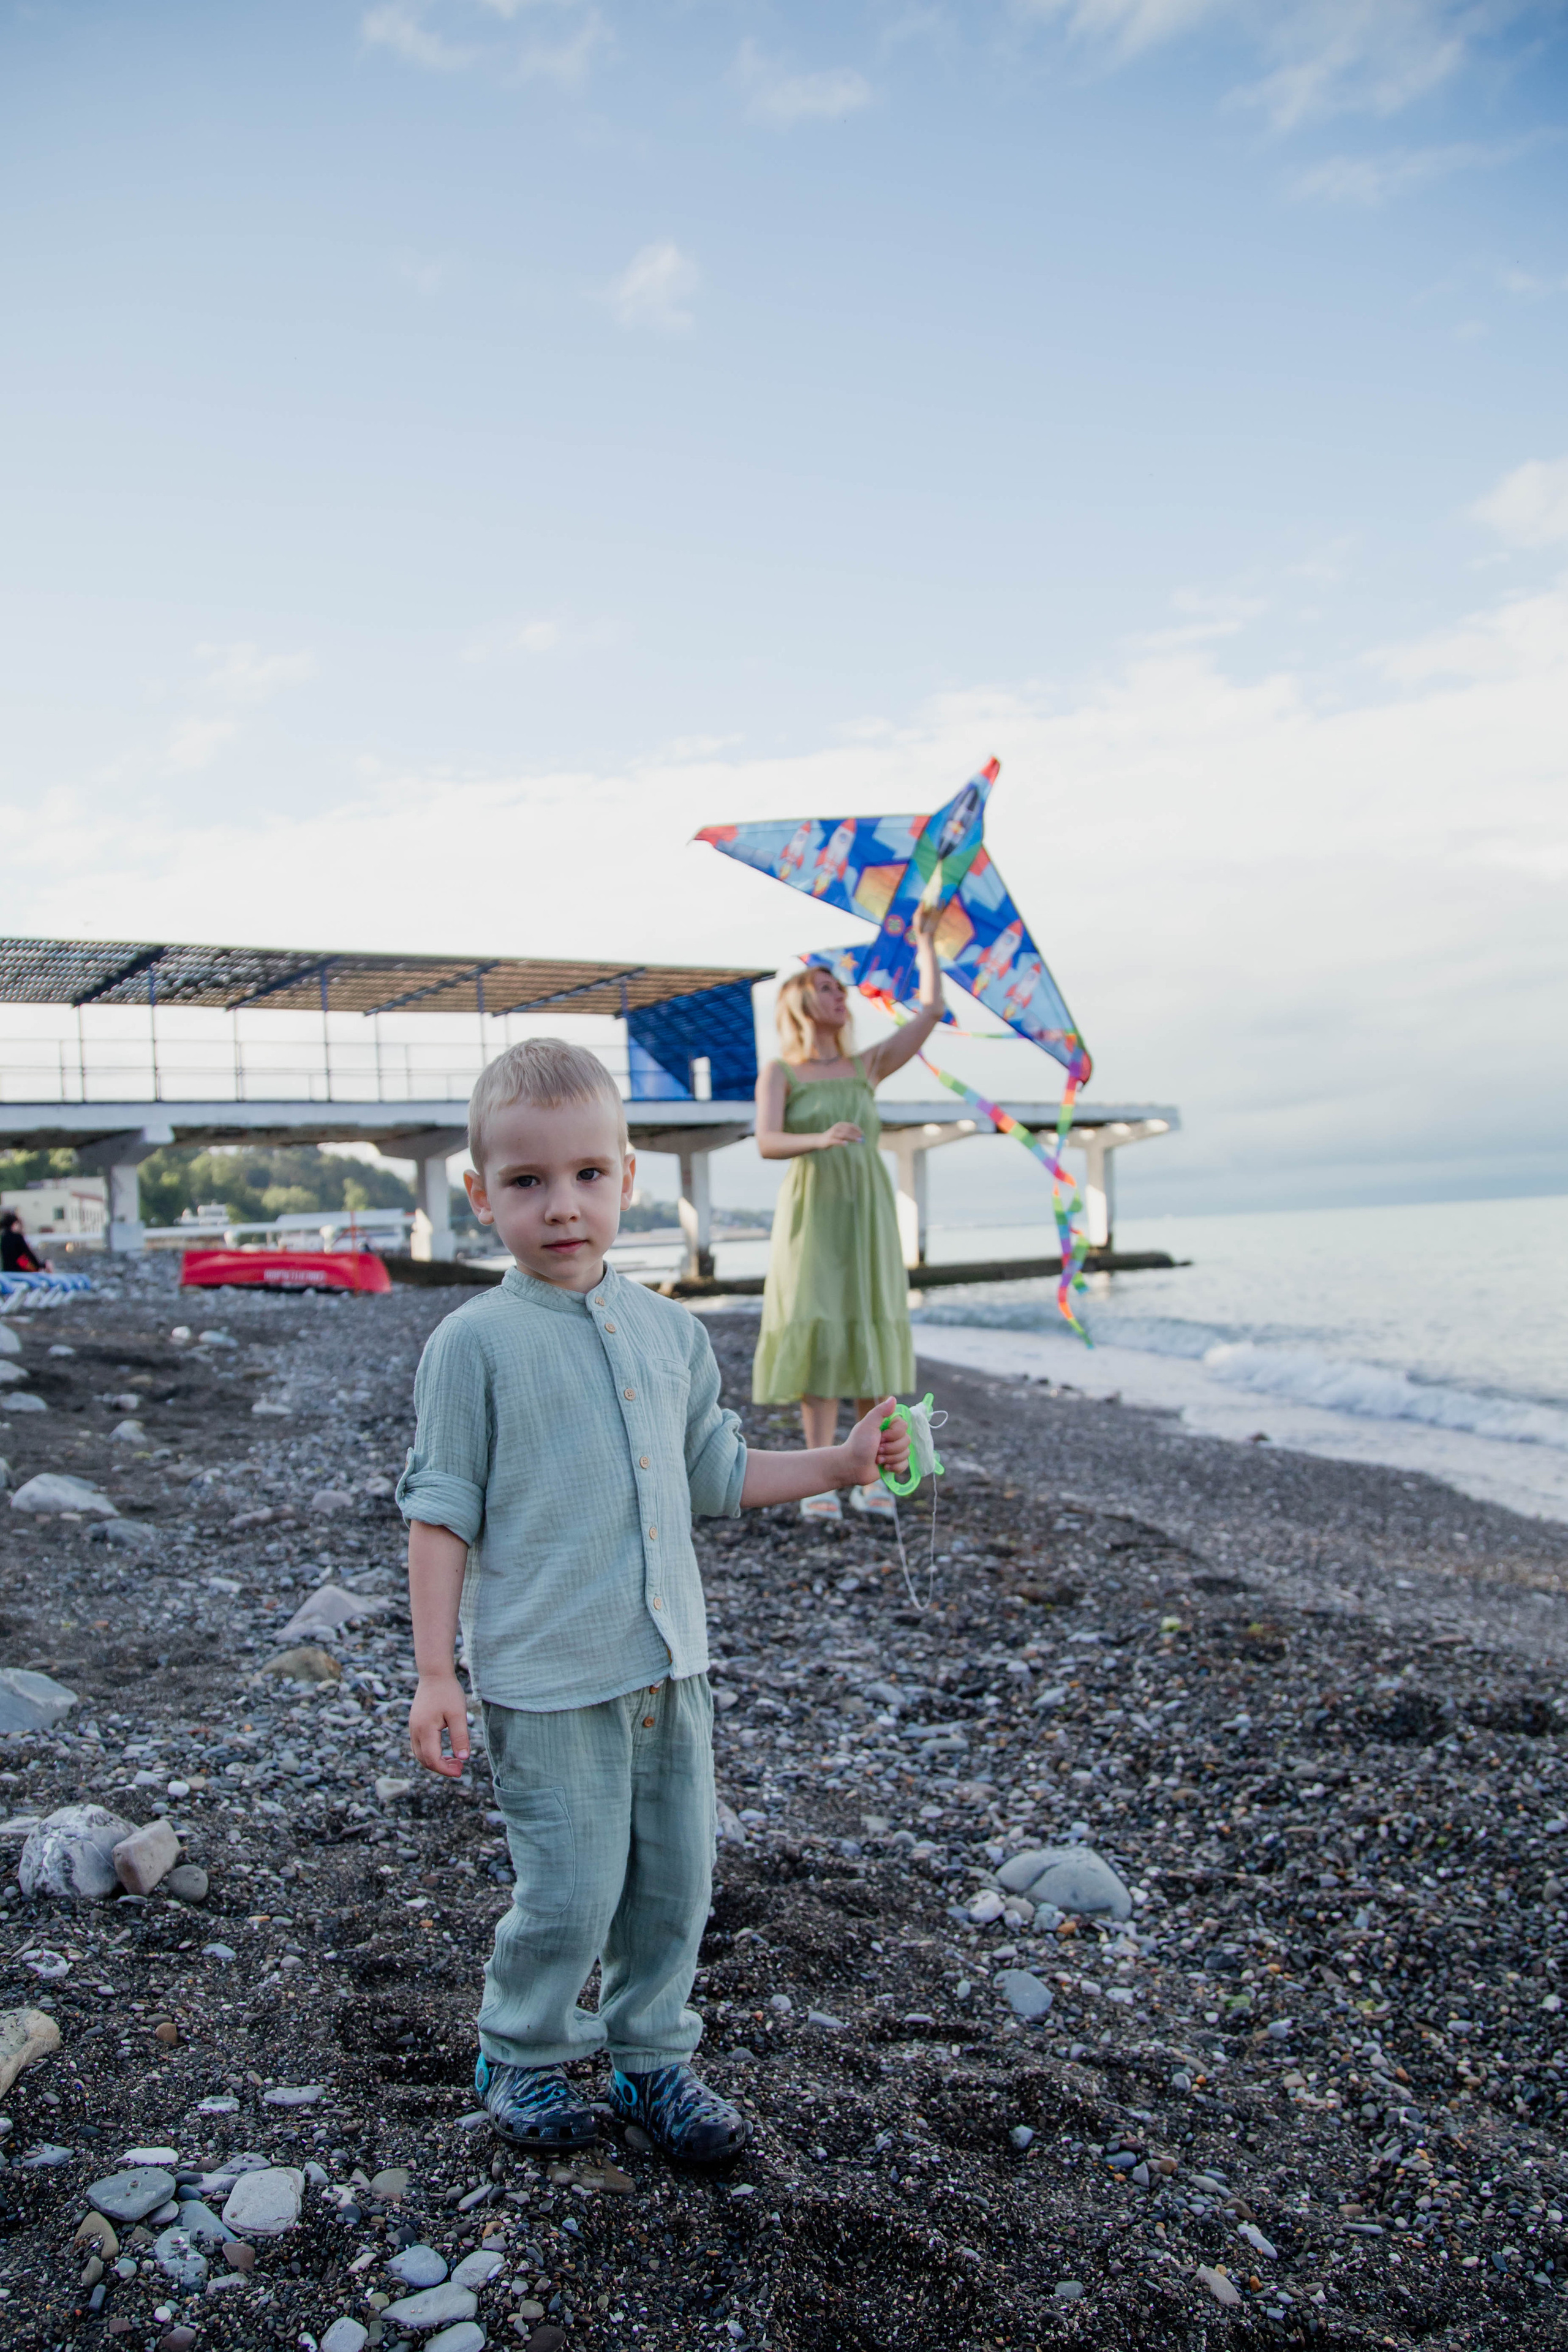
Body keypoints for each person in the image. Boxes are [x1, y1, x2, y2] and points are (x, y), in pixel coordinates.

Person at [396, 1038, 910, 2167]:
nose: (563, 1205)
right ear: (482, 1198)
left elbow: (716, 1475)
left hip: (671, 1671)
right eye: (527, 1183)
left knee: (676, 1885)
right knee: (570, 1892)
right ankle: (519, 2054)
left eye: (588, 1176)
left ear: (629, 1177)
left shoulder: (672, 1333)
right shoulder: (471, 1345)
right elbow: (440, 1514)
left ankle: (651, 2061)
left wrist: (839, 1467)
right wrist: (439, 1673)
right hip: (546, 1677)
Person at [752, 908, 946, 1520]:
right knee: (817, 1324)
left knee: (866, 1325)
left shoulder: (867, 1065)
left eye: (839, 989)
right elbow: (765, 1141)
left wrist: (925, 944)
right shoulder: (780, 1071)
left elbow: (931, 1013)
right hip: (813, 1211)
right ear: (799, 1003)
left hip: (867, 1213)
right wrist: (820, 1140)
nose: (838, 997)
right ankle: (815, 1479)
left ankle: (872, 1478)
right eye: (826, 988)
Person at [0, 1209, 46, 1274]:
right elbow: (27, 1254)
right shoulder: (17, 1237)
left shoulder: (3, 1238)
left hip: (7, 1271)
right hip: (19, 1272)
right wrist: (40, 1266)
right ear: (14, 1224)